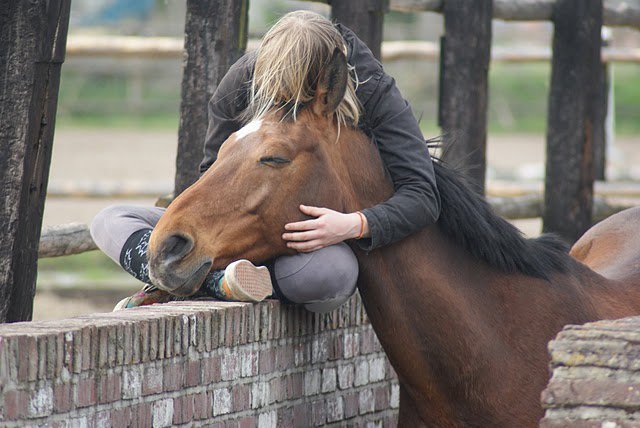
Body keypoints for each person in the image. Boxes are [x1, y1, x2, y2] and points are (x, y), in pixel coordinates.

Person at [90, 10, 440, 313]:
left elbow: (423, 194)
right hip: (246, 231)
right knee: (109, 220)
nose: (282, 101)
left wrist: (350, 225)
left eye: (296, 89)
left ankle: (210, 279)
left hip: (305, 240)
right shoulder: (244, 80)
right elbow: (212, 172)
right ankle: (218, 283)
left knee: (333, 275)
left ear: (324, 81)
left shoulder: (372, 86)